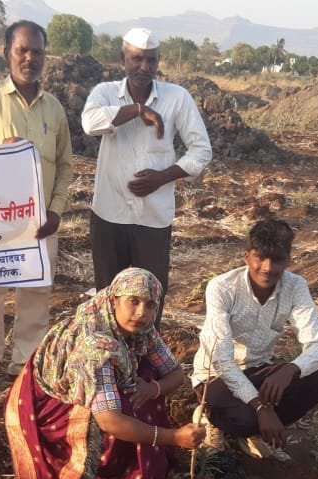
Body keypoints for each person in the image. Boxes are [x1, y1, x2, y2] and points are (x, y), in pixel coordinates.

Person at [5, 268, 205, 479]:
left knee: (146, 377)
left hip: (102, 382)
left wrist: (153, 389)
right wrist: (173, 437)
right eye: (133, 301)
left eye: (150, 305)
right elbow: (110, 420)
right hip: (51, 403)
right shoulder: (96, 347)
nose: (141, 313)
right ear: (114, 300)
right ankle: (113, 472)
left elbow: (176, 374)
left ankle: (144, 453)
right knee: (125, 404)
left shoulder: (142, 328)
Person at [0, 21, 74, 395]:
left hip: (39, 222)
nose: (29, 58)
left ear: (45, 57)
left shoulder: (53, 108)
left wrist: (55, 211)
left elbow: (66, 165)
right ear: (7, 52)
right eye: (22, 50)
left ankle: (25, 363)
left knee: (36, 292)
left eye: (37, 52)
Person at [80, 27, 212, 316]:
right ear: (122, 59)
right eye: (137, 59)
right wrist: (138, 110)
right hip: (109, 214)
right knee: (107, 299)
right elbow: (90, 125)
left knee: (150, 301)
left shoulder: (178, 98)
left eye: (151, 60)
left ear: (158, 61)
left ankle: (146, 361)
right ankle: (109, 359)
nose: (144, 67)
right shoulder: (104, 93)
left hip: (153, 217)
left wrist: (163, 177)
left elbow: (202, 151)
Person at [192, 219, 318, 461]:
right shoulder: (222, 288)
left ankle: (254, 432)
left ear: (288, 261)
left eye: (277, 260)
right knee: (240, 416)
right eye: (260, 258)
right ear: (246, 257)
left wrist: (290, 369)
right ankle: (212, 420)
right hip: (215, 377)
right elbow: (223, 361)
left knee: (317, 380)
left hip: (258, 370)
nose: (267, 268)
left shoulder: (296, 287)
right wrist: (261, 408)